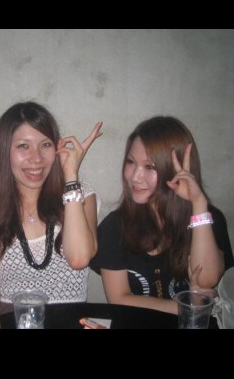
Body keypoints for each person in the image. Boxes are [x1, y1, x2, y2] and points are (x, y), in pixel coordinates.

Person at [0, 101, 102, 328]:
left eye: (46, 144)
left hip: (70, 319)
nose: (37, 158)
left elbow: (79, 259)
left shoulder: (80, 196)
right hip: (11, 319)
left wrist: (71, 175)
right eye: (23, 146)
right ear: (4, 151)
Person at [90, 116, 234, 315]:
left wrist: (199, 205)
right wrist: (186, 306)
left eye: (150, 167)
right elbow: (119, 299)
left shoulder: (208, 219)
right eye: (131, 162)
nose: (135, 177)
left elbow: (206, 279)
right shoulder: (115, 227)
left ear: (176, 169)